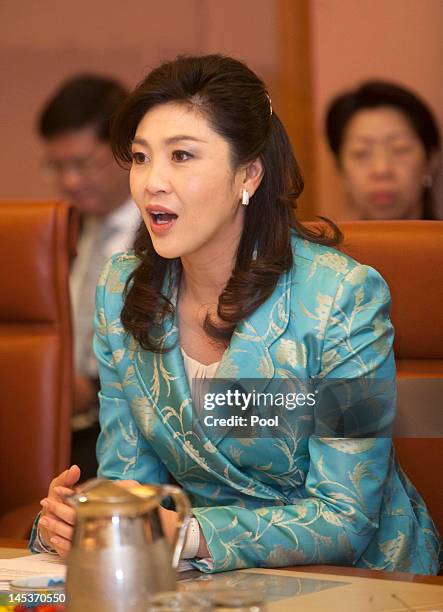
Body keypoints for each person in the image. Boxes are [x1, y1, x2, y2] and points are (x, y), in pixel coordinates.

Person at [31, 55, 440, 575]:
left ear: (247, 174)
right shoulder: (123, 289)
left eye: (181, 156)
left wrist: (191, 533)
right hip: (210, 578)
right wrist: (84, 523)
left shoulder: (342, 297)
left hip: (361, 578)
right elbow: (130, 484)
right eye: (139, 157)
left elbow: (347, 514)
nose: (152, 181)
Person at [38, 74, 140, 478]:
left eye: (81, 163)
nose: (69, 182)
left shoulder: (162, 236)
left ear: (123, 150)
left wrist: (86, 389)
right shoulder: (71, 229)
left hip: (123, 430)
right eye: (57, 166)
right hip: (65, 426)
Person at [325, 80, 441, 220]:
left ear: (430, 162)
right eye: (361, 153)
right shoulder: (310, 242)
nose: (381, 170)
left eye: (400, 149)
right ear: (340, 169)